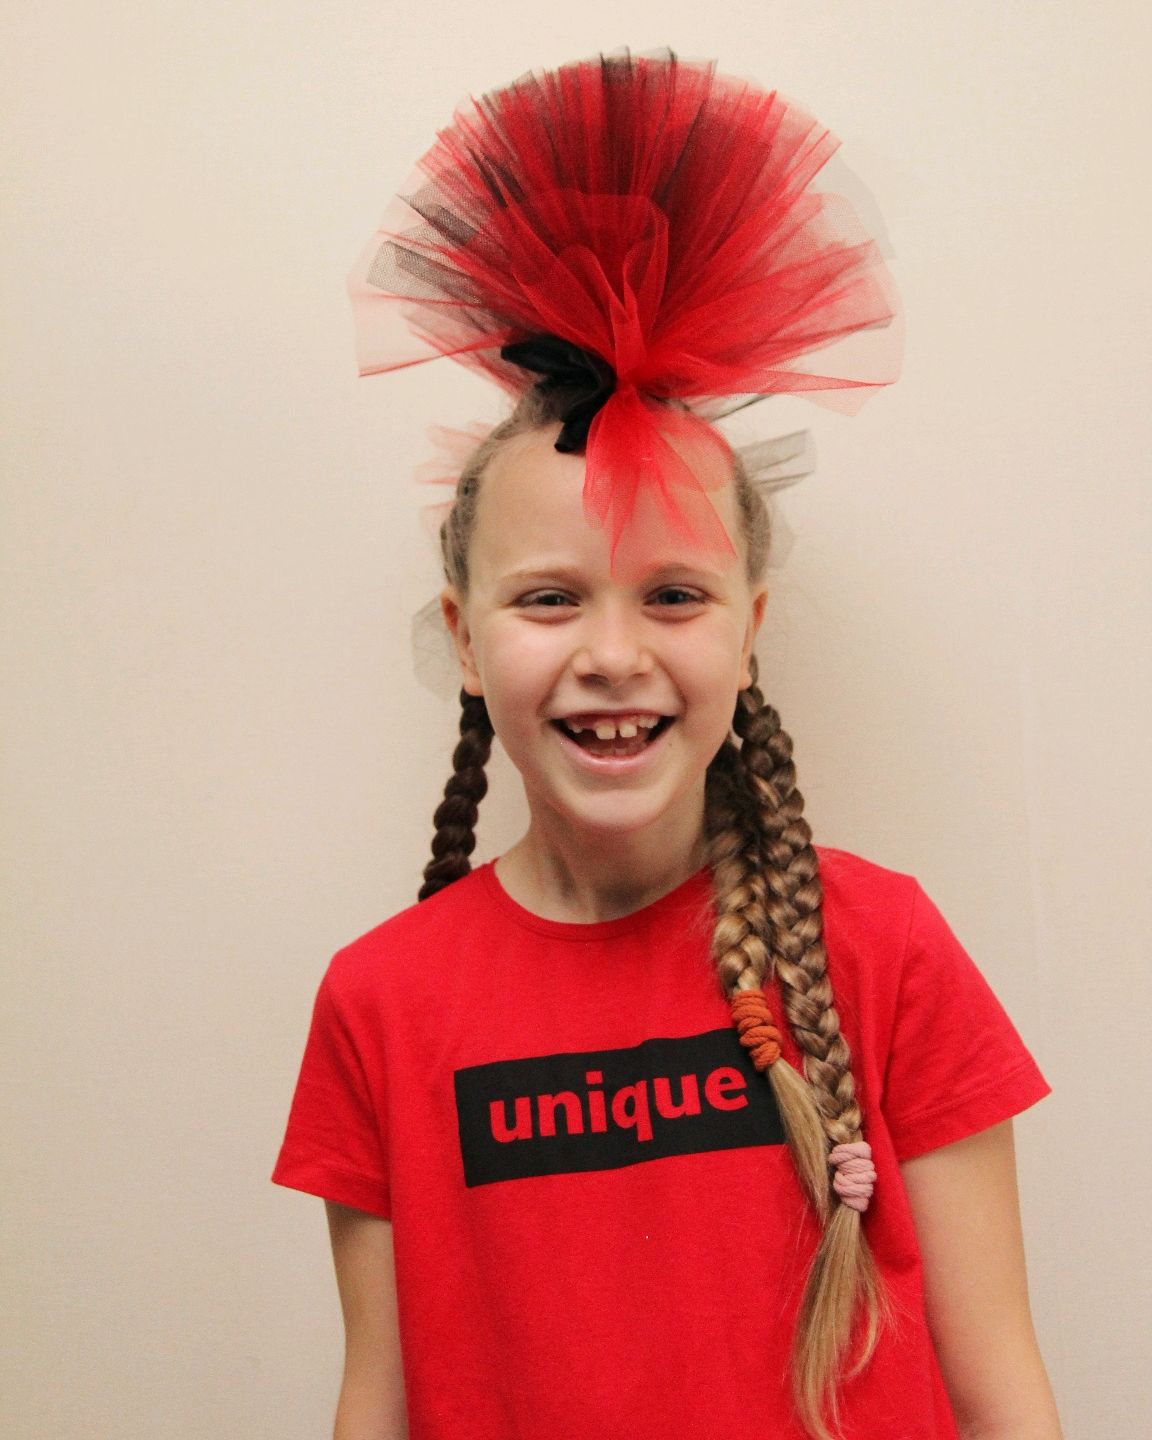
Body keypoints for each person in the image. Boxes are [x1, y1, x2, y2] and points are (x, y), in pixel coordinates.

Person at [271, 49, 1064, 1440]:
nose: (614, 653)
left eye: (675, 596)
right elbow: (376, 1399)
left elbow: (1004, 1389)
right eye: (549, 598)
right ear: (466, 640)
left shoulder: (884, 949)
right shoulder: (379, 1003)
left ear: (749, 631)